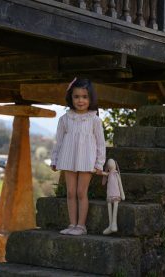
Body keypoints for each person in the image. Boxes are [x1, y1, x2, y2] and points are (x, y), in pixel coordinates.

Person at [50, 77, 106, 236]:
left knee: (81, 192)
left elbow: (101, 144)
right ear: (71, 98)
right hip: (68, 159)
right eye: (76, 97)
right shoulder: (65, 119)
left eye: (84, 97)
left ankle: (81, 226)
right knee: (70, 193)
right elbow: (59, 141)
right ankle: (72, 224)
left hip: (86, 160)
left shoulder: (94, 120)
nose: (80, 100)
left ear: (90, 98)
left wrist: (99, 163)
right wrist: (54, 160)